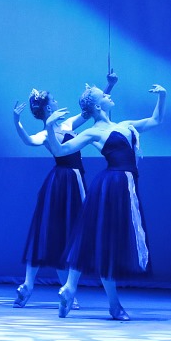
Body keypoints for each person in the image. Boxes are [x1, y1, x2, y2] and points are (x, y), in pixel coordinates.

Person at [45, 81, 166, 321]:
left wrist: (162, 96)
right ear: (99, 106)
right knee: (107, 243)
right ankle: (112, 305)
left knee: (100, 240)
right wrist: (49, 126)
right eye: (104, 95)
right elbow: (60, 151)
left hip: (122, 185)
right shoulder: (93, 132)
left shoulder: (125, 125)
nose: (109, 96)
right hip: (113, 186)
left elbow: (156, 120)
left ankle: (71, 288)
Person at [11, 69, 117, 309]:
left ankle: (51, 288)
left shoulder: (68, 123)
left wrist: (109, 87)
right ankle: (31, 284)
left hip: (69, 180)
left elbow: (91, 111)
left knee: (64, 234)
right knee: (56, 232)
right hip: (63, 182)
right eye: (54, 100)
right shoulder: (44, 133)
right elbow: (29, 141)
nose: (58, 101)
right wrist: (17, 122)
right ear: (49, 108)